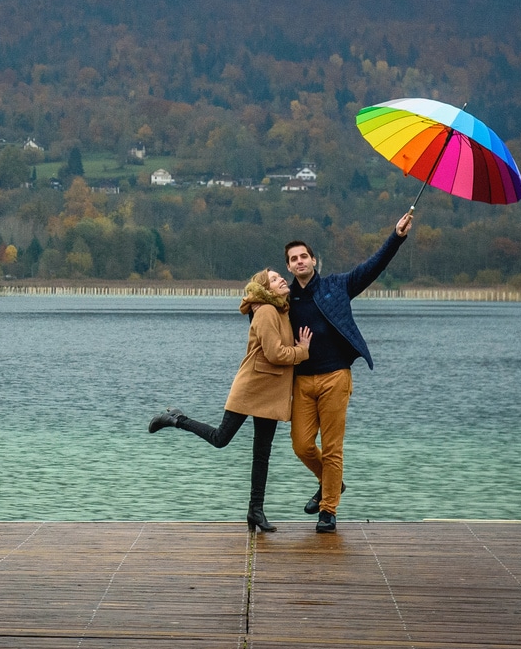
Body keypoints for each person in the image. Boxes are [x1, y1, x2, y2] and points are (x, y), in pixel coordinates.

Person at [148, 268, 312, 532]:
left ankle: (255, 511)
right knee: (221, 438)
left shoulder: (281, 309)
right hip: (252, 385)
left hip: (271, 391)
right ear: (265, 289)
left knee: (262, 454)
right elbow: (275, 354)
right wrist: (302, 351)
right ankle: (177, 419)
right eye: (274, 279)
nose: (282, 279)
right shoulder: (267, 311)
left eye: (282, 276)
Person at [284, 211, 412, 533]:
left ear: (314, 260)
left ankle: (328, 510)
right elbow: (259, 315)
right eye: (293, 259)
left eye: (304, 256)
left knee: (332, 447)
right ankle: (332, 481)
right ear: (288, 266)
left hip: (335, 377)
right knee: (301, 445)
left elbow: (373, 267)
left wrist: (396, 236)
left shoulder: (337, 286)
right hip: (301, 381)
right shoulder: (284, 299)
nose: (300, 262)